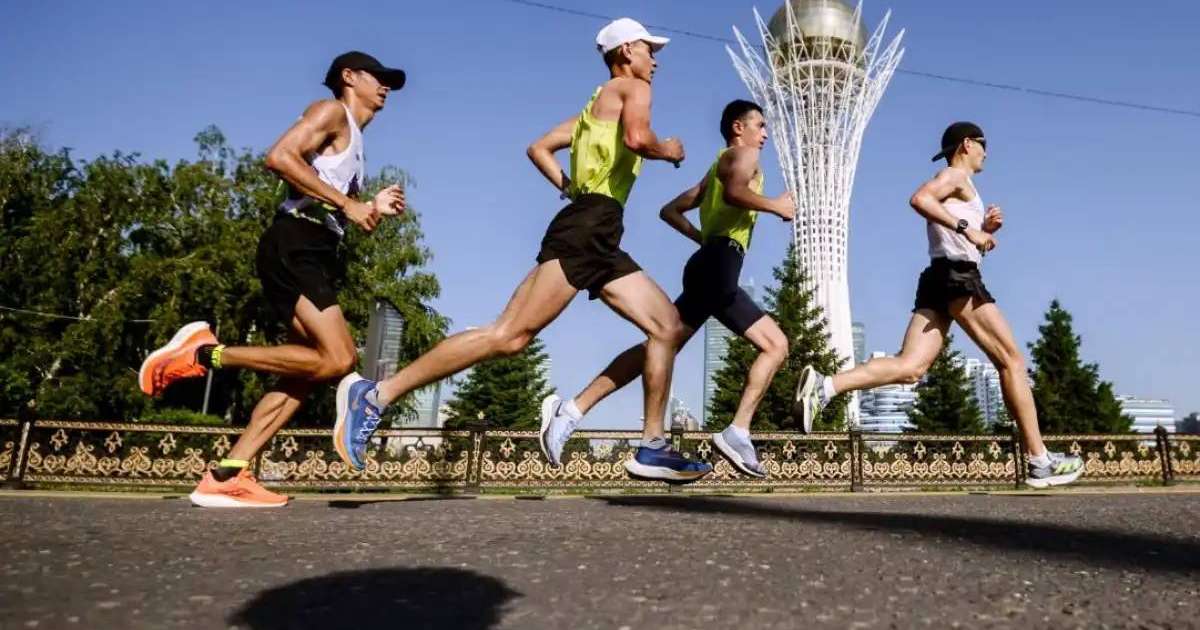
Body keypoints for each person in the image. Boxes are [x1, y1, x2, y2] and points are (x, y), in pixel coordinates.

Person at [334, 19, 711, 482]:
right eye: (650, 50)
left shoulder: (594, 108)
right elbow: (637, 139)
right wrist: (667, 149)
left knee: (667, 327)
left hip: (597, 229)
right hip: (588, 229)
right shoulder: (632, 88)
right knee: (508, 336)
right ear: (627, 50)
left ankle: (650, 444)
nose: (655, 60)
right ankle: (377, 395)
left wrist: (571, 188)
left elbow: (538, 148)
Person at [138, 51, 408, 507]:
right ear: (349, 77)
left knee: (305, 371)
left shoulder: (355, 143)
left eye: (388, 81)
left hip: (316, 249)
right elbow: (279, 156)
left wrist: (370, 209)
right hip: (295, 244)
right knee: (340, 359)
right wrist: (347, 205)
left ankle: (228, 474)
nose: (384, 86)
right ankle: (204, 353)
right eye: (377, 77)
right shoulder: (329, 112)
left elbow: (344, 212)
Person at [794, 121, 1084, 489]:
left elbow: (952, 232)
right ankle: (1039, 460)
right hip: (956, 278)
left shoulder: (963, 186)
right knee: (1011, 360)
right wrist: (970, 228)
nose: (986, 152)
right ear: (967, 144)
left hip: (939, 276)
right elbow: (920, 199)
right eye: (983, 144)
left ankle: (825, 387)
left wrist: (985, 231)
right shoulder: (954, 175)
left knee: (911, 367)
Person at [539, 100, 796, 479]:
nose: (765, 133)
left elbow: (670, 210)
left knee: (660, 346)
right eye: (760, 125)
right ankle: (736, 431)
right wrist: (774, 206)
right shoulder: (742, 156)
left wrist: (704, 240)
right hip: (718, 268)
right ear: (738, 128)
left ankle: (573, 409)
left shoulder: (716, 167)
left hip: (712, 265)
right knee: (774, 346)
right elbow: (735, 194)